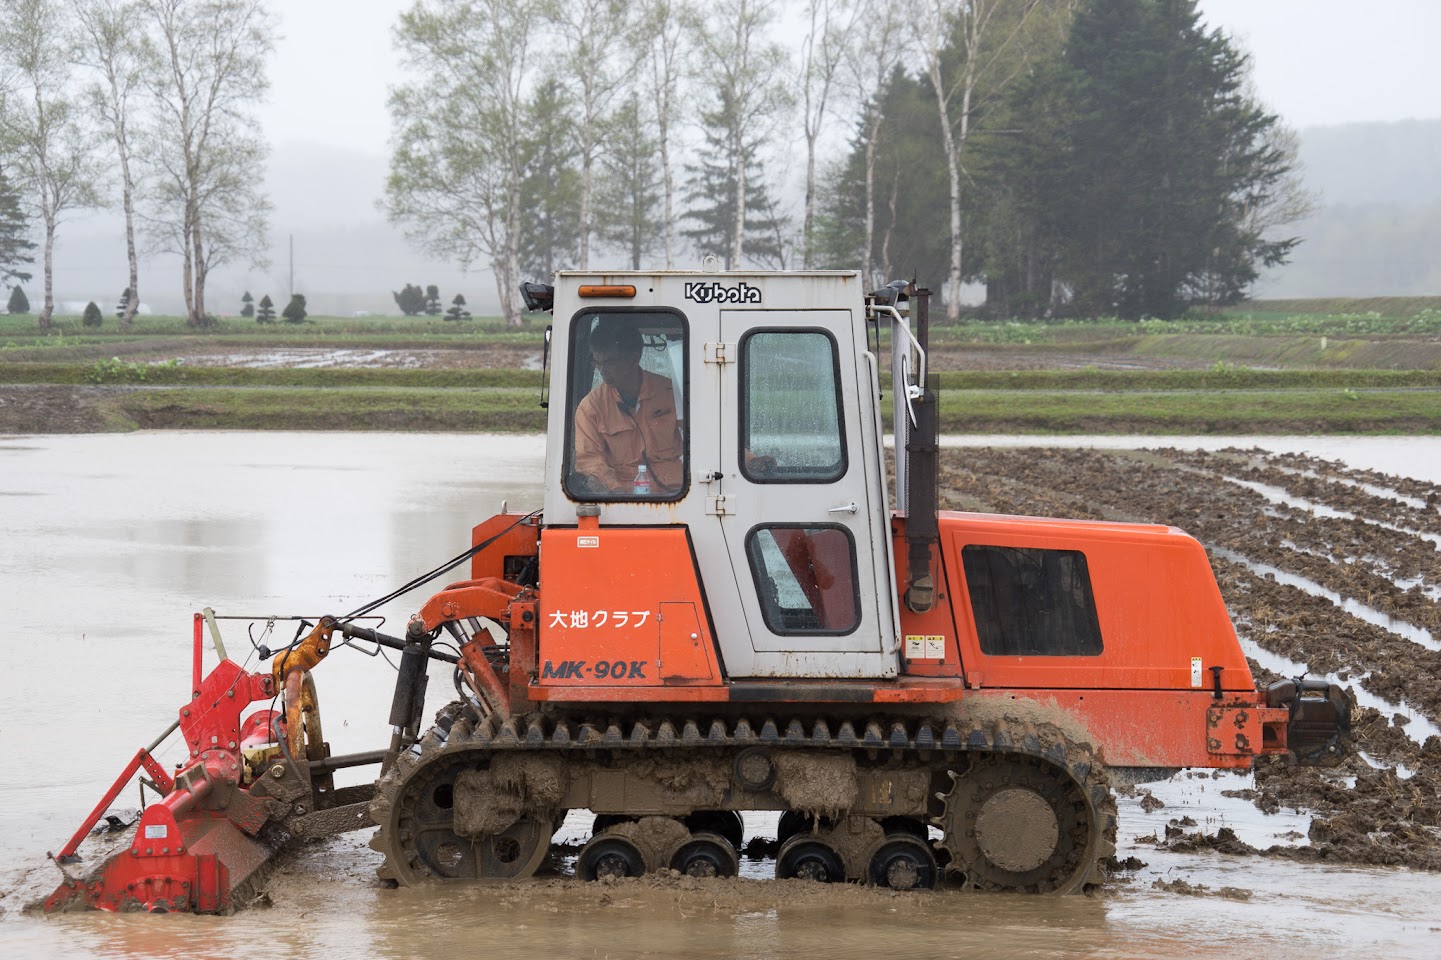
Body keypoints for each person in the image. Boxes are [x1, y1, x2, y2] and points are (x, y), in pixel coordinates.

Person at [572, 318, 684, 495]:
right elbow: (589, 461)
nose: (602, 370)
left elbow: (704, 435)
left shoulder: (670, 392)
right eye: (597, 363)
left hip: (678, 495)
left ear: (633, 359)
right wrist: (616, 492)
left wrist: (742, 459)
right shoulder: (591, 407)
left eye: (609, 362)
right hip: (622, 499)